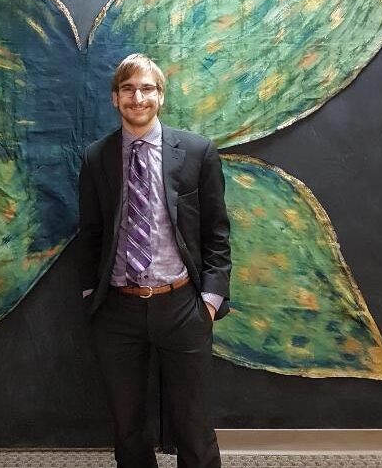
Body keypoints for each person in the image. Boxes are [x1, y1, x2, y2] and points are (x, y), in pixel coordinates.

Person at [77, 53, 231, 468]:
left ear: (160, 96)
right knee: (127, 427)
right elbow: (90, 233)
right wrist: (93, 292)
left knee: (193, 426)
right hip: (118, 308)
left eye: (146, 88)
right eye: (127, 89)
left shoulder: (198, 152)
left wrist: (211, 300)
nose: (137, 96)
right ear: (115, 98)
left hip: (182, 304)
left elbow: (217, 230)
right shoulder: (96, 157)